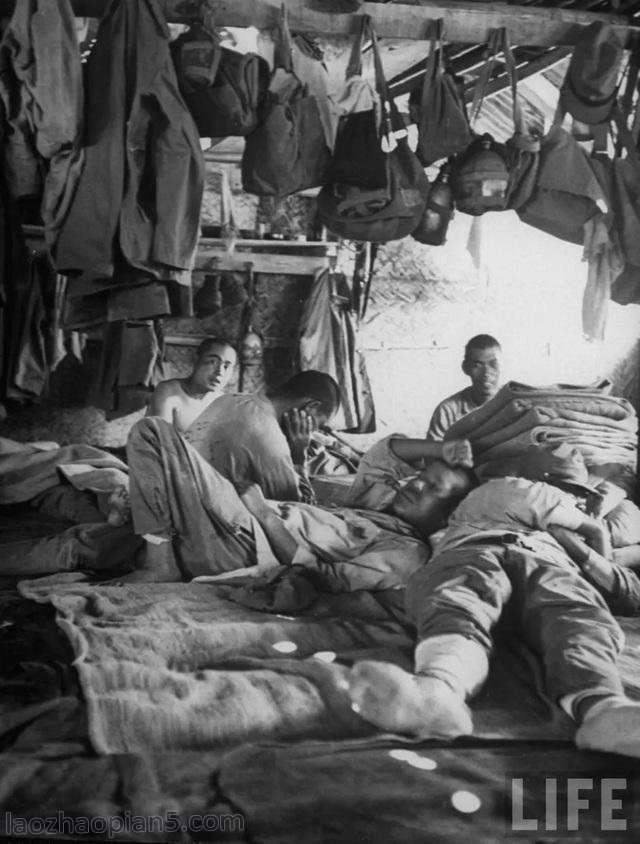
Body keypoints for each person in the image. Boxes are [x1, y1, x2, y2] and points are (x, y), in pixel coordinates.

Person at [347, 443, 640, 759]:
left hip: (549, 567)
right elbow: (534, 499)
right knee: (458, 598)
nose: (572, 500)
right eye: (565, 489)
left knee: (578, 617)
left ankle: (605, 709)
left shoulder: (586, 530)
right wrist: (591, 539)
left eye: (580, 496)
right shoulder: (498, 492)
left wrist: (589, 554)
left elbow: (630, 592)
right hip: (478, 550)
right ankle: (437, 690)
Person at [122, 416, 475, 584]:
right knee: (113, 502)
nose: (414, 484)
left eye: (432, 489)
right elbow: (381, 455)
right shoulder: (381, 504)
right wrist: (439, 449)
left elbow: (322, 577)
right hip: (246, 519)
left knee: (153, 433)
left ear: (446, 518)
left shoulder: (407, 551)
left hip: (247, 540)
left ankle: (161, 565)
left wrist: (263, 513)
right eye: (421, 476)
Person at [183, 370, 342, 503]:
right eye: (317, 424)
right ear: (311, 407)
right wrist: (298, 458)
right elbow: (300, 508)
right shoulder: (272, 442)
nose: (312, 432)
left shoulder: (229, 399)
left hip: (182, 495)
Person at [146, 337, 238, 433]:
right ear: (196, 360)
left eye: (226, 366)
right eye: (213, 362)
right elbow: (160, 442)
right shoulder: (168, 391)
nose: (220, 372)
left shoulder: (224, 402)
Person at [426, 334, 502, 442]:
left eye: (493, 364)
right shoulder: (448, 410)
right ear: (465, 368)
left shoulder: (518, 403)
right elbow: (432, 455)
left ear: (502, 365)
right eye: (478, 365)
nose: (486, 372)